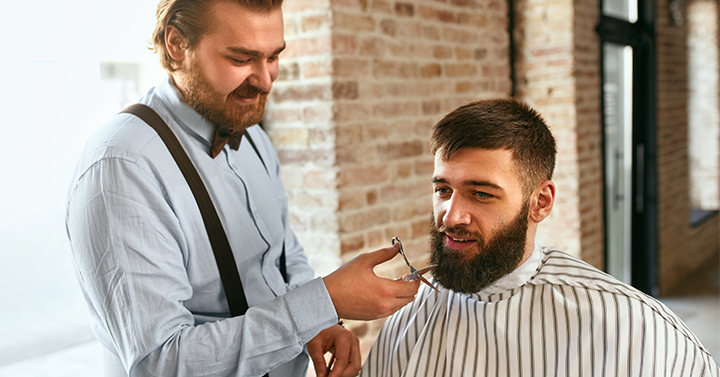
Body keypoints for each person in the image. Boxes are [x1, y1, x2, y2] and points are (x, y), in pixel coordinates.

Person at [65, 0, 420, 376]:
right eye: (241, 59)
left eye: (273, 58)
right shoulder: (122, 165)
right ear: (176, 44)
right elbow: (160, 363)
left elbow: (285, 256)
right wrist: (322, 302)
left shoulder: (254, 138)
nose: (265, 81)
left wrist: (322, 323)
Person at [360, 98, 720, 377]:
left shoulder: (631, 326)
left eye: (481, 194)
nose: (451, 216)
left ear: (540, 202)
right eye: (442, 190)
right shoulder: (410, 317)